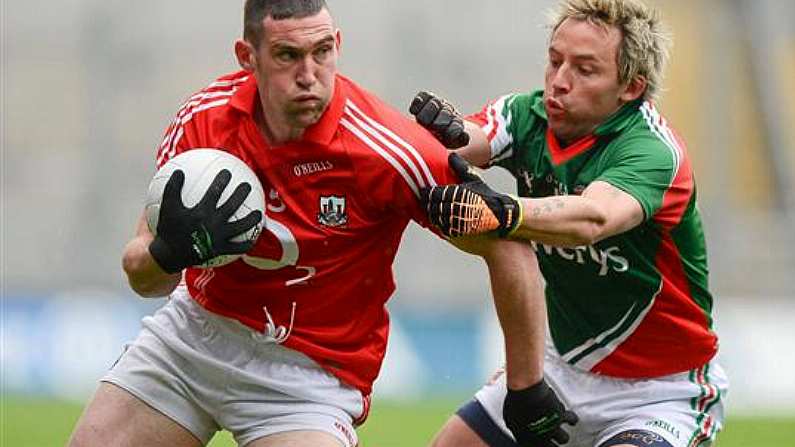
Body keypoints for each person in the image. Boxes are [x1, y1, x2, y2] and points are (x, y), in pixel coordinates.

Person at [67, 1, 576, 446]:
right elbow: (142, 274)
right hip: (193, 337)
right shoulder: (205, 120)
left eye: (323, 52)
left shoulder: (386, 147)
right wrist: (169, 253)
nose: (309, 75)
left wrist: (526, 387)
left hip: (305, 377)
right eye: (288, 56)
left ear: (338, 45)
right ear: (249, 58)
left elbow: (507, 246)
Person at [410, 0, 729, 446]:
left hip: (658, 391)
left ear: (631, 88)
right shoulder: (526, 115)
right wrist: (435, 137)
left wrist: (504, 212)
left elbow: (594, 218)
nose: (559, 82)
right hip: (559, 366)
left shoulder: (653, 151)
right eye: (555, 60)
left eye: (585, 69)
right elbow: (470, 140)